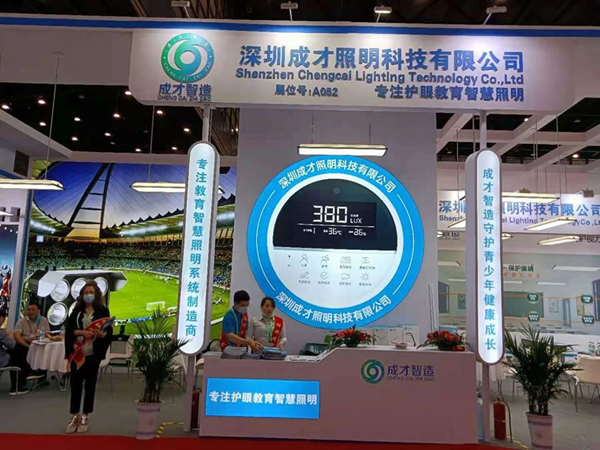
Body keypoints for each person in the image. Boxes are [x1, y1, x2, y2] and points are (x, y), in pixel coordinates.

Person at [64, 280, 113, 434]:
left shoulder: (103, 311)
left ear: (96, 294)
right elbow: (69, 330)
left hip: (93, 354)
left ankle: (85, 415)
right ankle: (75, 415)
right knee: (75, 385)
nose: (88, 295)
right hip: (77, 354)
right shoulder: (76, 310)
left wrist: (101, 334)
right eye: (86, 292)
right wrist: (81, 333)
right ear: (82, 295)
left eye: (91, 292)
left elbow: (108, 332)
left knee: (90, 386)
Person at [10, 302, 50, 395]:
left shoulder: (43, 320)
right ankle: (21, 381)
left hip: (39, 344)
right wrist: (27, 343)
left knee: (45, 350)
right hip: (25, 345)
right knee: (19, 352)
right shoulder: (22, 321)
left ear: (38, 311)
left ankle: (41, 377)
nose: (30, 312)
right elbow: (17, 336)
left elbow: (47, 334)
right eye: (29, 310)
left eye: (33, 310)